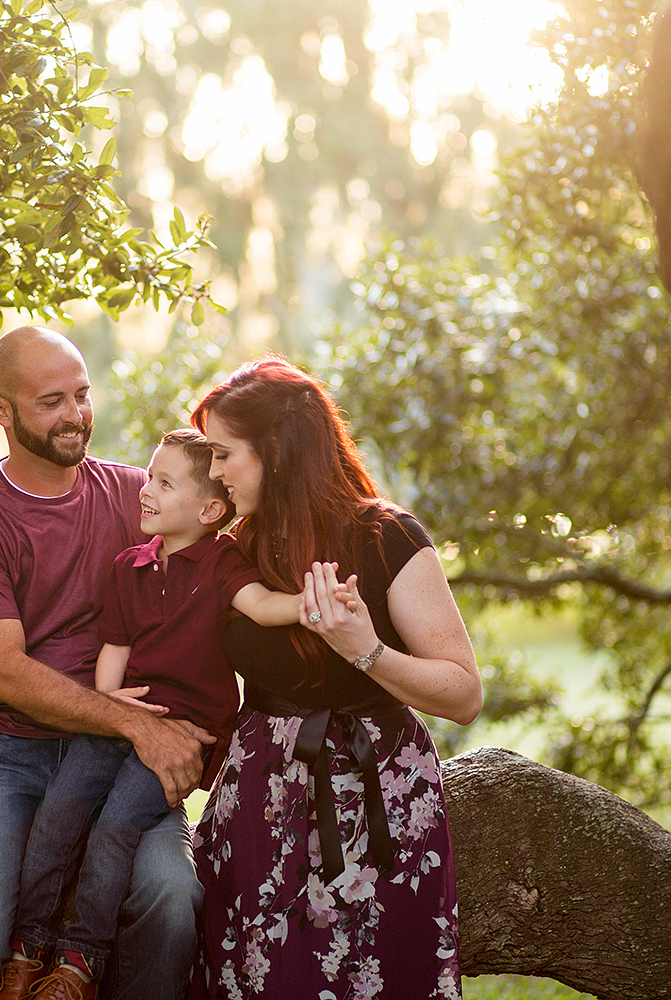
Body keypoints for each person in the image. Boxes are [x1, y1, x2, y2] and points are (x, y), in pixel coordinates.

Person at [0, 326, 212, 1000]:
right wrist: (134, 723)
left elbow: (223, 526)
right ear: (3, 412)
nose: (76, 415)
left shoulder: (134, 496)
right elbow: (8, 674)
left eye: (81, 395)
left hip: (114, 758)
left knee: (173, 902)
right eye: (51, 401)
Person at [187, 356, 483, 1000]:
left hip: (383, 798)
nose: (213, 472)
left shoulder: (387, 538)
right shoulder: (232, 551)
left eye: (223, 454)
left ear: (278, 450)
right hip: (260, 801)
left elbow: (463, 694)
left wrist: (366, 649)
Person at [0, 429, 302, 1000]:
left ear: (210, 509)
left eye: (164, 482)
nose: (145, 489)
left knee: (115, 829)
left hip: (178, 735)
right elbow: (116, 647)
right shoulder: (129, 566)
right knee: (60, 810)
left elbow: (260, 605)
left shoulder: (221, 563)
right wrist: (108, 705)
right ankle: (25, 951)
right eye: (148, 476)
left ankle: (79, 963)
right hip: (116, 722)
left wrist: (309, 604)